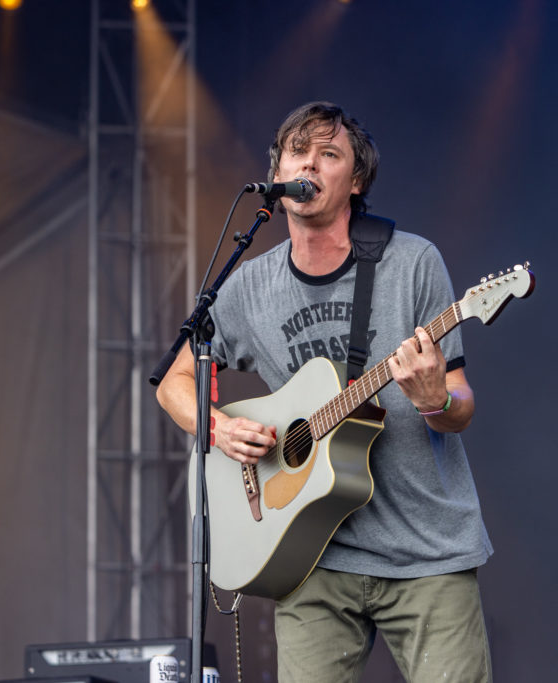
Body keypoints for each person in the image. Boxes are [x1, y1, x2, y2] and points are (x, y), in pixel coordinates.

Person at [155, 101, 493, 682]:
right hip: (310, 556)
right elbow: (173, 383)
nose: (308, 164)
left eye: (328, 154)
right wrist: (220, 429)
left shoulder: (412, 263)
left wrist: (434, 399)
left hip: (427, 549)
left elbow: (460, 407)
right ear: (277, 173)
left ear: (356, 181)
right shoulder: (249, 286)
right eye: (297, 152)